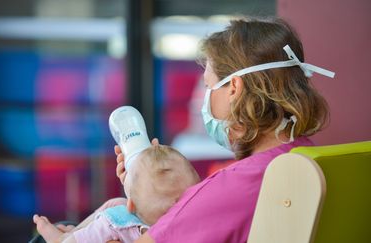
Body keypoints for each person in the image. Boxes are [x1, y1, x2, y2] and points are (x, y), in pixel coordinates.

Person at [112, 17, 334, 242]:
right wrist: (144, 188)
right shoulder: (310, 159)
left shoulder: (232, 188)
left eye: (209, 87)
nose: (204, 101)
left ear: (234, 88)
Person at [33, 144, 200, 243]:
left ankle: (63, 238)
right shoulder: (193, 223)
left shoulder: (116, 223)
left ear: (132, 205)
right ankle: (78, 231)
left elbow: (111, 219)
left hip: (108, 227)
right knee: (115, 203)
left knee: (111, 212)